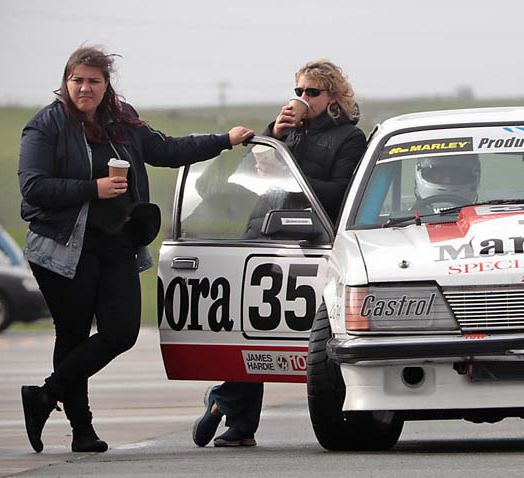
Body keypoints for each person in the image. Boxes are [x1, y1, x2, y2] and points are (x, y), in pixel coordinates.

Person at [18, 46, 254, 453]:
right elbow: (33, 186)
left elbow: (167, 150)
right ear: (66, 82)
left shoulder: (121, 121)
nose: (85, 88)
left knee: (121, 332)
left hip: (118, 242)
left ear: (106, 84)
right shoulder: (47, 125)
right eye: (77, 80)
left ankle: (44, 395)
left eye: (93, 81)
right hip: (64, 247)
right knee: (73, 335)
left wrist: (224, 140)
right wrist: (93, 189)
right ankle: (82, 430)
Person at [192, 59, 365, 448]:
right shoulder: (285, 131)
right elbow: (243, 176)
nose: (303, 98)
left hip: (308, 242)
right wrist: (272, 135)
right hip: (263, 230)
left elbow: (342, 192)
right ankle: (240, 423)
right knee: (251, 328)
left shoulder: (350, 139)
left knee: (293, 332)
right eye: (298, 91)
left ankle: (225, 401)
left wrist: (289, 170)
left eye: (312, 92)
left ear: (333, 97)